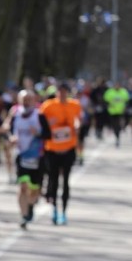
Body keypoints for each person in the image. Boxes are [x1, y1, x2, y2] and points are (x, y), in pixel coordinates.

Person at [39, 82, 81, 225]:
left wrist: (77, 126)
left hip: (69, 148)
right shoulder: (48, 106)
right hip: (52, 149)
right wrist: (48, 124)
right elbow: (40, 124)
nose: (62, 94)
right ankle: (55, 209)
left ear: (68, 93)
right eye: (60, 91)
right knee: (53, 180)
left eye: (64, 92)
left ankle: (64, 212)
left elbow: (79, 120)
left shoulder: (75, 105)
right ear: (56, 92)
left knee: (66, 181)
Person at [6, 90, 44, 229]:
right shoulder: (15, 114)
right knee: (22, 187)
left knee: (34, 189)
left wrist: (39, 133)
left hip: (37, 157)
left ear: (34, 100)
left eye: (29, 99)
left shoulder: (39, 115)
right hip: (20, 155)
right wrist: (11, 137)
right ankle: (23, 215)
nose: (26, 102)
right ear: (19, 100)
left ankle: (30, 205)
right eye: (24, 99)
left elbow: (48, 134)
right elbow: (8, 128)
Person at [103, 80, 128, 148]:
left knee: (119, 125)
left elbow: (127, 101)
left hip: (120, 112)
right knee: (114, 125)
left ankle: (118, 136)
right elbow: (105, 101)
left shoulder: (123, 92)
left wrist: (125, 108)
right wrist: (108, 106)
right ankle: (116, 136)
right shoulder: (109, 92)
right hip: (112, 112)